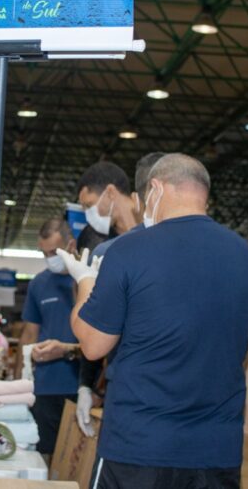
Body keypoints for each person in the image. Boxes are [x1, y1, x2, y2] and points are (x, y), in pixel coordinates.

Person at [65, 153, 248, 489]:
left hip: (141, 448)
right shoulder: (241, 253)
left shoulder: (128, 250)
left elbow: (94, 345)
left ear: (155, 188)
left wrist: (85, 283)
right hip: (216, 450)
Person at [76, 153, 165, 435]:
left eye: (89, 205)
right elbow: (96, 321)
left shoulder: (164, 245)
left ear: (111, 192)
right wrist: (85, 384)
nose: (88, 214)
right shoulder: (103, 250)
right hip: (125, 385)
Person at [21, 218, 80, 458]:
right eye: (44, 253)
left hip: (80, 386)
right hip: (45, 386)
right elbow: (29, 334)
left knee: (75, 459)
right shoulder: (39, 284)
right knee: (43, 456)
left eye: (54, 252)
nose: (49, 259)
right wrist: (21, 380)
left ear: (71, 245)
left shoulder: (88, 280)